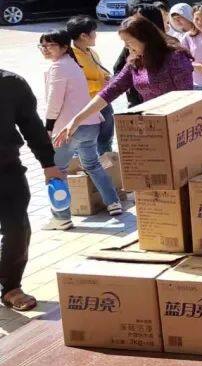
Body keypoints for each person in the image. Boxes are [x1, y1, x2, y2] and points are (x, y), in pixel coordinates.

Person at [54, 16, 195, 147]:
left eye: (129, 42)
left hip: (180, 127)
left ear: (145, 38)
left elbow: (186, 98)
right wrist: (76, 120)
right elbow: (110, 91)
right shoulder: (135, 62)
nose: (127, 47)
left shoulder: (175, 58)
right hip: (154, 126)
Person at [39, 29, 123, 225]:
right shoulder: (73, 64)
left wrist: (48, 128)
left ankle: (61, 218)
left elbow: (54, 102)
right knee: (92, 164)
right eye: (42, 45)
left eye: (50, 45)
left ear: (64, 46)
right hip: (90, 124)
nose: (45, 49)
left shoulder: (58, 67)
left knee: (57, 170)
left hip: (68, 128)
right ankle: (113, 203)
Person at [0, 69, 64, 311]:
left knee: (17, 228)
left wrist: (48, 164)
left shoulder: (10, 84)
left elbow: (32, 126)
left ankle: (11, 287)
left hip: (6, 171)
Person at [66, 16, 114, 155]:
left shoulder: (90, 51)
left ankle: (108, 165)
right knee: (85, 143)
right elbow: (74, 84)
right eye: (94, 32)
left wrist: (106, 77)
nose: (96, 35)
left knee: (106, 139)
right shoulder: (70, 57)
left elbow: (98, 71)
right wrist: (100, 84)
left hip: (102, 100)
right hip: (85, 105)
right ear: (83, 36)